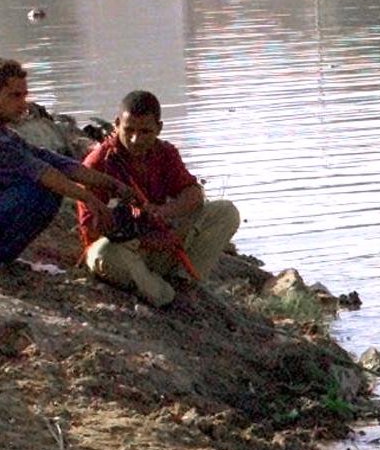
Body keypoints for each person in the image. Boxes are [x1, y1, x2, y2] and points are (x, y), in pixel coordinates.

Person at [77, 89, 240, 307]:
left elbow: (193, 194)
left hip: (160, 243)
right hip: (123, 251)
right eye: (129, 130)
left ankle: (182, 282)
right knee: (102, 255)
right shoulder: (97, 164)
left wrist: (164, 213)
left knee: (225, 212)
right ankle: (166, 296)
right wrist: (143, 238)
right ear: (117, 124)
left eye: (145, 131)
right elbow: (92, 229)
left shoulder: (165, 153)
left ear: (159, 129)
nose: (136, 139)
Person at [0, 58, 118, 264]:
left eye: (24, 96)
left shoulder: (8, 135)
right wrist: (89, 199)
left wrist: (114, 185)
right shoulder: (3, 144)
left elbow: (55, 162)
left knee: (46, 189)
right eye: (15, 96)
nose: (23, 104)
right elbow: (45, 173)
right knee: (38, 190)